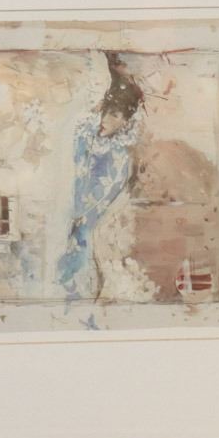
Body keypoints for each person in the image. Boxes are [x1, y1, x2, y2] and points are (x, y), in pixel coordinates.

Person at [56, 52, 144, 300]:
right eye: (106, 111)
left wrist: (74, 215)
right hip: (67, 219)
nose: (105, 119)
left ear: (126, 121)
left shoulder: (119, 157)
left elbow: (96, 202)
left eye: (115, 115)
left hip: (88, 229)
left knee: (81, 267)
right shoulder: (85, 135)